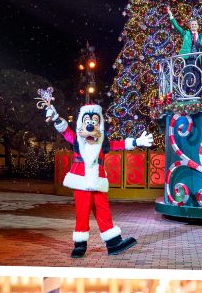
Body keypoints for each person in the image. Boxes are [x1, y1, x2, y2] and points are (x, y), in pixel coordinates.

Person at [43, 102, 153, 257]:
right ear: (82, 122)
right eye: (87, 122)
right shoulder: (77, 140)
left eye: (94, 122)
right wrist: (55, 118)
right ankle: (80, 245)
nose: (90, 125)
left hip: (98, 181)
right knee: (82, 212)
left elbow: (118, 144)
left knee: (103, 210)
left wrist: (136, 142)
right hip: (81, 181)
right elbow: (65, 131)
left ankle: (113, 243)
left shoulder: (102, 143)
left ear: (99, 124)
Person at [168, 7, 202, 95]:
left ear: (197, 26)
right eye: (192, 24)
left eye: (195, 24)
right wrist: (171, 16)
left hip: (198, 59)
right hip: (188, 58)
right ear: (190, 26)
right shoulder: (186, 33)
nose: (194, 26)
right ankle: (185, 92)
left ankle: (197, 92)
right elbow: (177, 27)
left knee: (198, 75)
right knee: (188, 75)